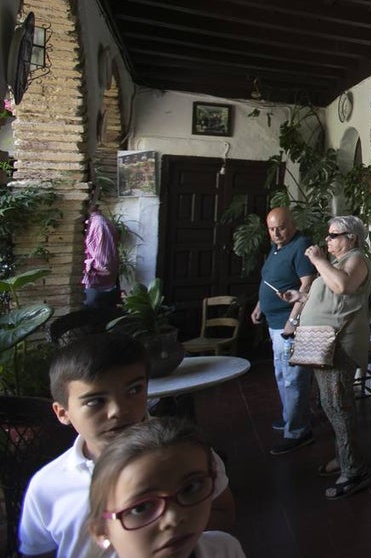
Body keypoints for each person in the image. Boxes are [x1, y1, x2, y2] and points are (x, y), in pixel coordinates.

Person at [19, 333, 236, 558]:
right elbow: (37, 552)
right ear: (63, 412)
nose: (118, 410)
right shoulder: (46, 486)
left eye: (134, 390)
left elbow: (224, 511)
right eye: (95, 401)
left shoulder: (187, 457)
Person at [282, 215, 371, 500]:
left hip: (339, 346)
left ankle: (354, 470)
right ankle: (344, 457)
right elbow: (330, 293)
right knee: (331, 405)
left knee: (338, 406)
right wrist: (299, 297)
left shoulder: (357, 259)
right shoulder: (336, 262)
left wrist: (319, 261)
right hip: (323, 343)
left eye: (334, 235)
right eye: (328, 236)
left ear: (352, 238)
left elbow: (343, 287)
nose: (328, 240)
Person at [87, 417, 245, 558]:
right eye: (141, 508)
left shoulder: (224, 549)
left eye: (190, 488)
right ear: (101, 531)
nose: (174, 518)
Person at [250, 207, 316, 455]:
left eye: (281, 227)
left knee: (293, 378)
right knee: (281, 373)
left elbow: (307, 285)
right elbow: (269, 279)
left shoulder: (300, 245)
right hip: (273, 321)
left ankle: (298, 430)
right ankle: (291, 415)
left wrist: (293, 321)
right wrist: (259, 305)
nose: (276, 233)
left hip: (289, 324)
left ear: (293, 223)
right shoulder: (277, 246)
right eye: (271, 229)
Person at [82, 203, 120, 309]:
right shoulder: (94, 223)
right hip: (96, 285)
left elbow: (104, 262)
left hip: (97, 286)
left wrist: (86, 266)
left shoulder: (99, 224)